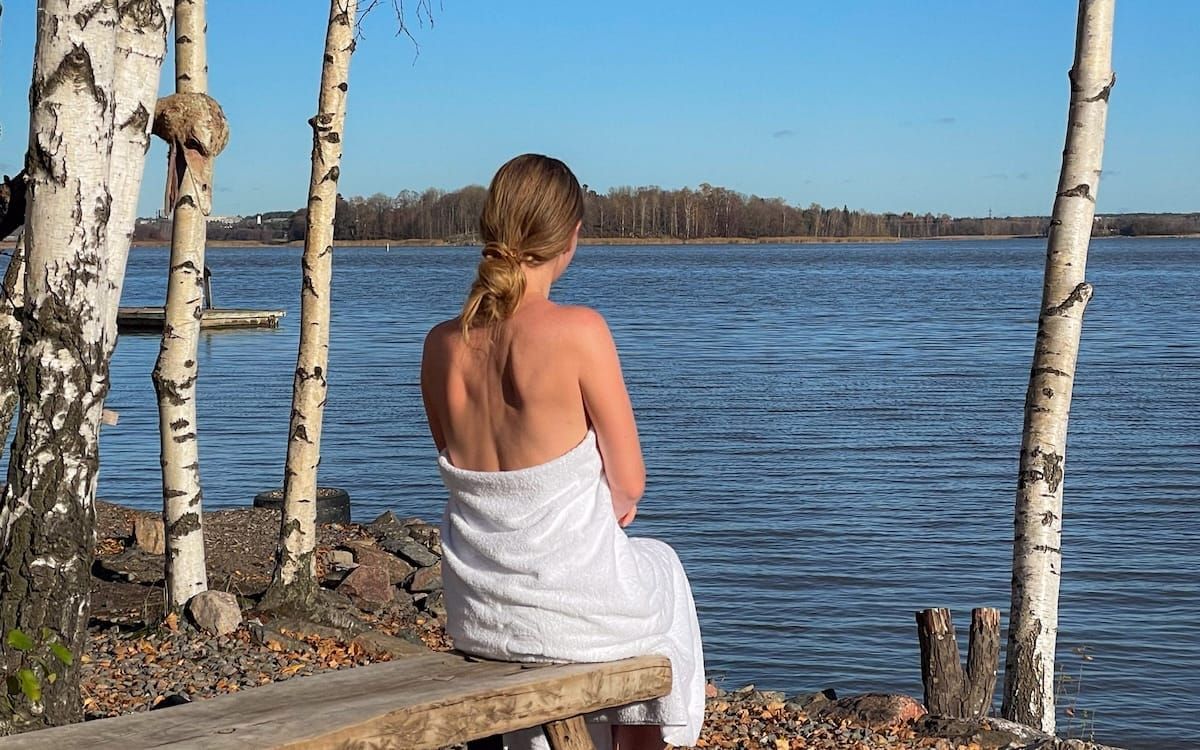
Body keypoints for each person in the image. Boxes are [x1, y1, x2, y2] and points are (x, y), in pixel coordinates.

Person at [420, 154, 705, 750]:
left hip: (481, 613)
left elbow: (464, 464)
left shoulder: (440, 346)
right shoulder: (579, 331)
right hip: (563, 607)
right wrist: (603, 505)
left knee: (632, 580)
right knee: (663, 569)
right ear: (571, 235)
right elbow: (630, 484)